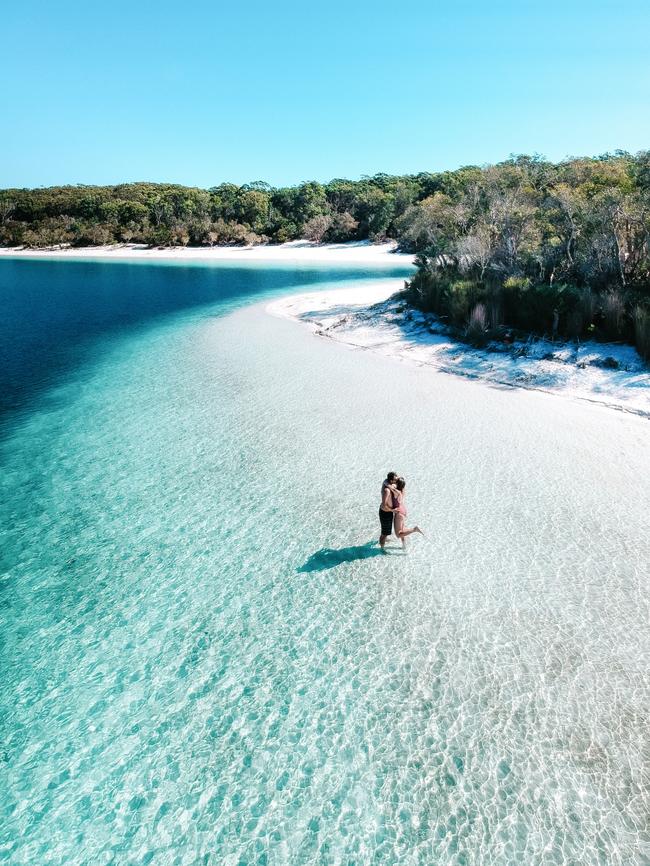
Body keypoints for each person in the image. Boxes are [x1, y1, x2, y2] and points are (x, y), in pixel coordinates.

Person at [392, 477, 423, 550]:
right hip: (403, 510)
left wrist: (386, 482)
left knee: (398, 534)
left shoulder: (397, 492)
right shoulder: (403, 490)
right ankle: (404, 545)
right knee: (402, 529)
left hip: (399, 512)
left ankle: (414, 529)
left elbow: (388, 486)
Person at [379, 471, 399, 550]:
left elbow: (385, 481)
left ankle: (384, 539)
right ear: (391, 481)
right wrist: (392, 510)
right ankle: (382, 548)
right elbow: (384, 505)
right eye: (395, 480)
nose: (397, 481)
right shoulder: (387, 490)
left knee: (386, 531)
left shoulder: (389, 483)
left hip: (389, 512)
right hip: (385, 512)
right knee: (384, 533)